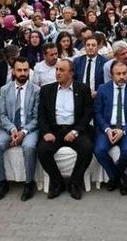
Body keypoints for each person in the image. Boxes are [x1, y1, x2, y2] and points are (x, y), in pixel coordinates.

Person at [36, 59, 94, 200]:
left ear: (71, 73)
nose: (58, 73)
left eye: (62, 70)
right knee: (42, 150)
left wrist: (75, 132)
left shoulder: (83, 89)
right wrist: (46, 132)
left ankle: (74, 182)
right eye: (57, 69)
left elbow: (87, 115)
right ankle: (57, 182)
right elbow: (41, 115)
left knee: (87, 148)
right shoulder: (46, 90)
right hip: (54, 130)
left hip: (75, 129)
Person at [0, 57, 40, 201]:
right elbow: (2, 115)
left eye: (26, 70)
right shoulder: (5, 89)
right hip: (9, 129)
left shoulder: (36, 90)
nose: (23, 73)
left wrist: (23, 132)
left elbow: (37, 118)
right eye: (19, 70)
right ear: (13, 71)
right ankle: (2, 183)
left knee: (29, 147)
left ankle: (29, 183)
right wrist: (12, 130)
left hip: (29, 129)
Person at [93, 60, 127, 195]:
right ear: (111, 75)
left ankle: (114, 178)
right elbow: (97, 113)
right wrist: (107, 129)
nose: (122, 77)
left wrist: (124, 131)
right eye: (118, 74)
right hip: (108, 128)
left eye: (124, 73)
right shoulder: (103, 89)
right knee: (99, 150)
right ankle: (120, 177)